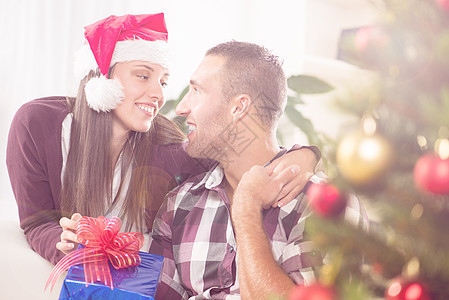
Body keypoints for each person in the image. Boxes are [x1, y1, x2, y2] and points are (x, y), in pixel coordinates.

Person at [6, 14, 320, 265]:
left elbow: (243, 151)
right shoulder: (37, 124)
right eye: (143, 76)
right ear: (101, 78)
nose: (159, 94)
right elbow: (35, 222)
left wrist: (305, 155)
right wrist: (64, 246)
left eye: (163, 80)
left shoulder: (170, 149)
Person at [148, 41, 368, 299]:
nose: (181, 107)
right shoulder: (179, 205)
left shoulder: (325, 206)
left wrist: (247, 208)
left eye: (197, 91)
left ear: (239, 107)